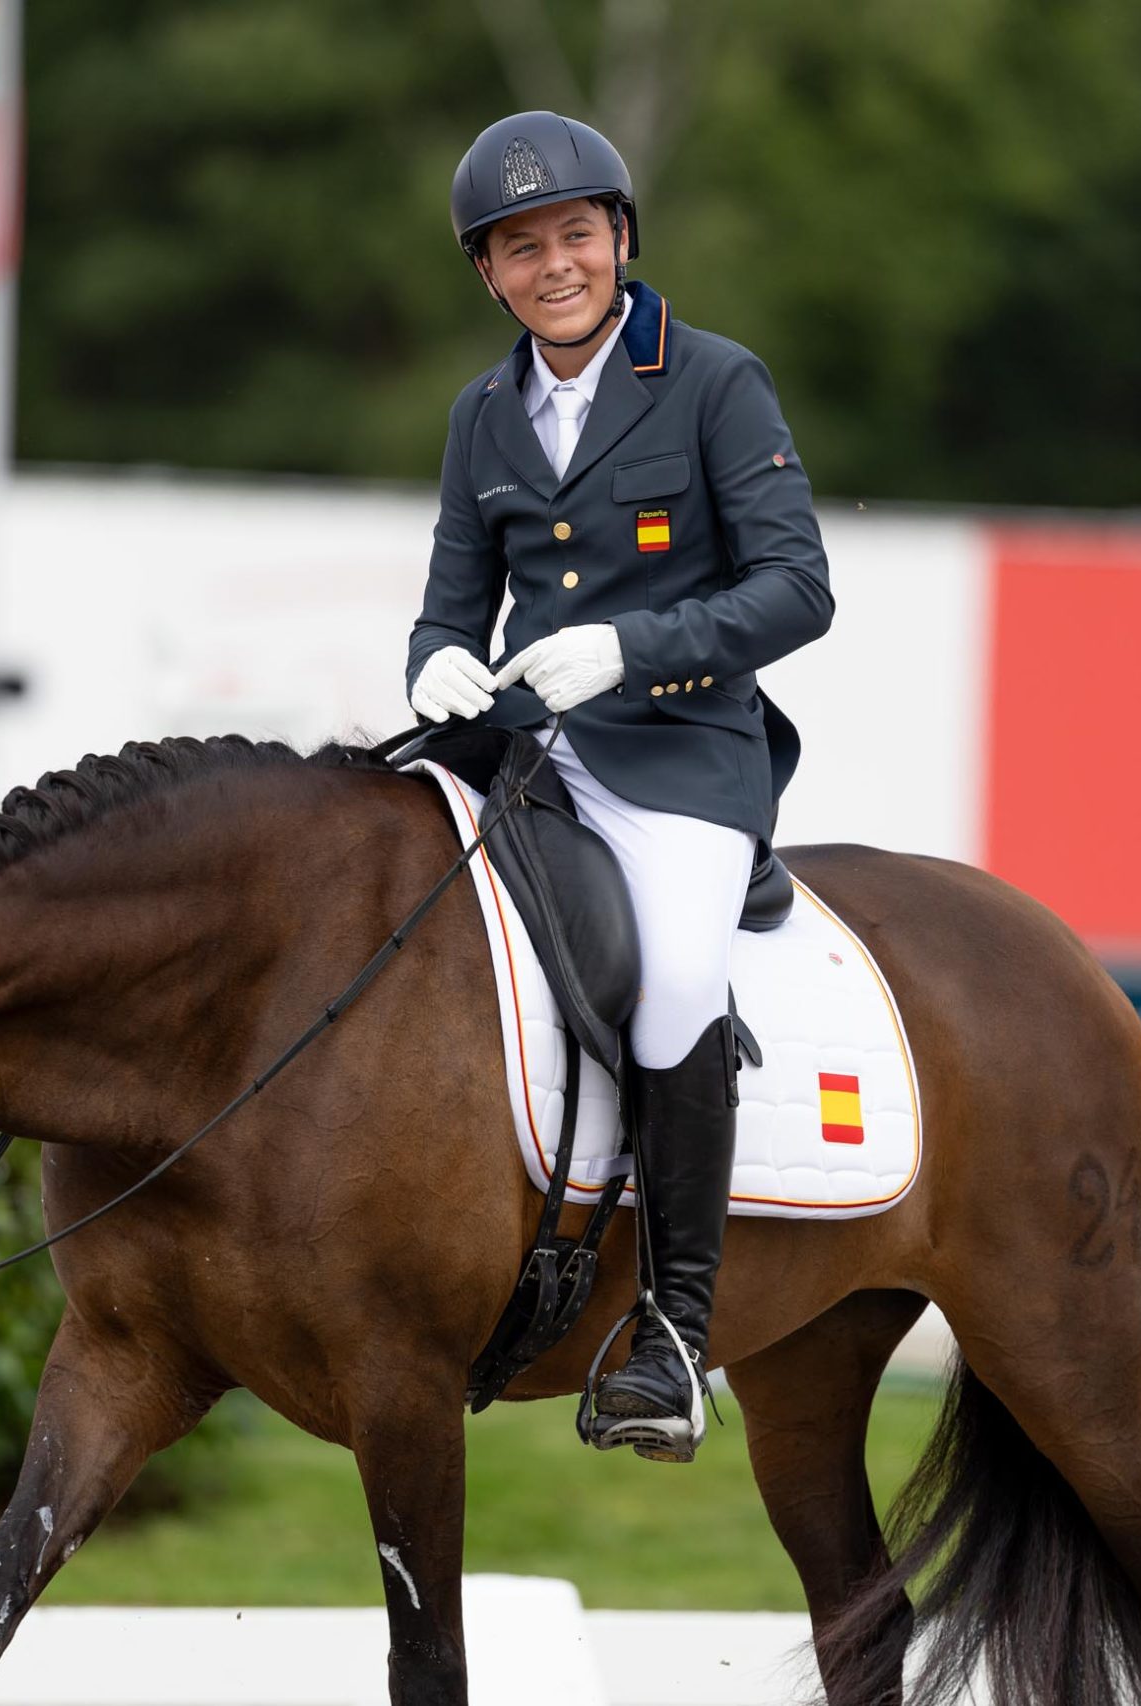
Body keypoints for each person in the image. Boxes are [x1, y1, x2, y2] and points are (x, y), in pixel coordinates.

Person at [405, 111, 833, 1460]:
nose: (555, 265)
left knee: (675, 983)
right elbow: (446, 614)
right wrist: (434, 676)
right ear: (490, 272)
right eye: (522, 247)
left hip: (685, 758)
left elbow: (797, 589)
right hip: (534, 753)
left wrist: (632, 647)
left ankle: (671, 1330)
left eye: (576, 235)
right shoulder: (483, 416)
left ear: (622, 239)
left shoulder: (713, 380)